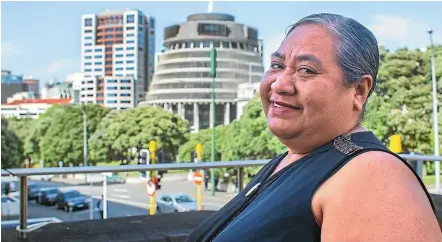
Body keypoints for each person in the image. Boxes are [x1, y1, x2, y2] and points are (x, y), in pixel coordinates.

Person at [186, 13, 441, 242]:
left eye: (306, 70)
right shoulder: (290, 159)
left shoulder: (374, 176)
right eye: (276, 65)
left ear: (359, 91)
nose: (279, 84)